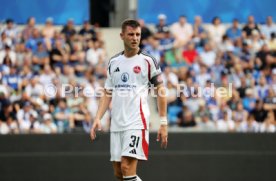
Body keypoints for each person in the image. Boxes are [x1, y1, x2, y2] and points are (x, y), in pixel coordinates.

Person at [90, 19, 168, 181]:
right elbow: (107, 92)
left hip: (136, 122)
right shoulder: (114, 62)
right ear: (122, 36)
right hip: (117, 123)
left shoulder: (148, 61)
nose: (135, 38)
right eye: (131, 34)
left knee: (127, 166)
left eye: (138, 34)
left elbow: (161, 91)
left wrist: (163, 123)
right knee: (119, 172)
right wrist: (98, 117)